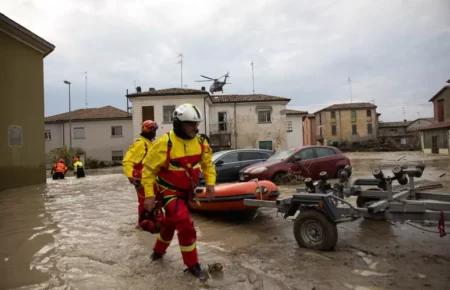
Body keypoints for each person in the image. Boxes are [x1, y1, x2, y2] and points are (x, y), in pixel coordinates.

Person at [141, 103, 216, 281]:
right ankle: (192, 265)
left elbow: (208, 164)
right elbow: (148, 170)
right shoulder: (164, 143)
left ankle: (157, 253)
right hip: (168, 191)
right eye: (190, 123)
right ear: (178, 123)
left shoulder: (201, 141)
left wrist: (211, 184)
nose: (195, 127)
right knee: (184, 223)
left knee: (169, 223)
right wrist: (149, 195)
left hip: (188, 191)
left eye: (196, 123)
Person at [123, 120, 161, 233]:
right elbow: (127, 161)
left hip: (151, 179)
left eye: (153, 129)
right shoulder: (140, 143)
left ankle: (152, 223)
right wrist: (130, 176)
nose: (153, 131)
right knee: (146, 202)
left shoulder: (150, 143)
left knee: (154, 201)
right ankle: (143, 225)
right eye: (150, 129)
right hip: (142, 179)